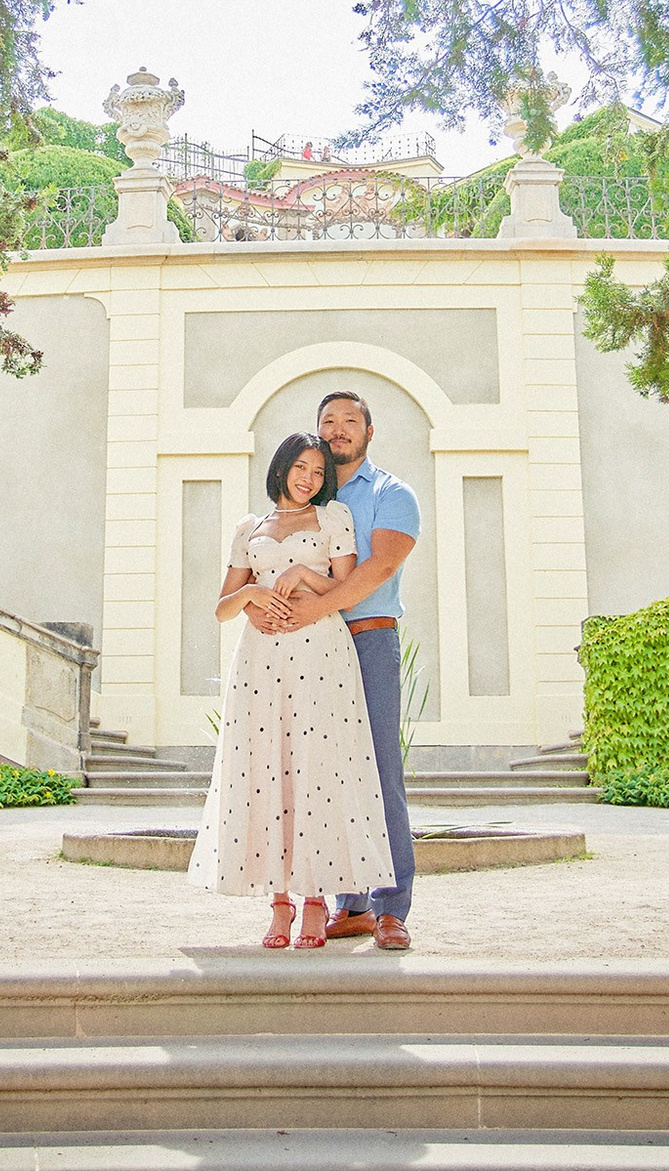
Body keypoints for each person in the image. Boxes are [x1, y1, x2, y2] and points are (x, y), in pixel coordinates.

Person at [188, 432, 396, 947]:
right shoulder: (249, 528)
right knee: (267, 770)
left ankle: (315, 904)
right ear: (282, 468)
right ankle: (278, 905)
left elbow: (345, 591)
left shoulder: (333, 520)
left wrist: (304, 572)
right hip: (261, 662)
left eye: (319, 472)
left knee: (317, 769)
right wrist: (254, 592)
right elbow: (222, 607)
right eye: (302, 467)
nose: (309, 479)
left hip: (321, 656)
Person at [253, 389, 419, 950]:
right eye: (329, 421)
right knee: (322, 773)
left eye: (352, 420)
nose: (340, 428)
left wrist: (315, 605)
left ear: (369, 432)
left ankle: (391, 908)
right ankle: (346, 904)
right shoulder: (309, 498)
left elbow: (381, 566)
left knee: (377, 769)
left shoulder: (393, 494)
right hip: (304, 653)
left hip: (366, 642)